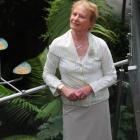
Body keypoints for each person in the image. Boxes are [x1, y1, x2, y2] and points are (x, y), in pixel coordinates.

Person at [43, 0, 117, 140]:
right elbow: (47, 74)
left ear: (90, 23)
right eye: (74, 14)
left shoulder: (100, 45)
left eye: (81, 16)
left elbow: (111, 75)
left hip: (98, 105)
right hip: (72, 107)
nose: (75, 18)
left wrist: (89, 88)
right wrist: (62, 88)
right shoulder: (58, 44)